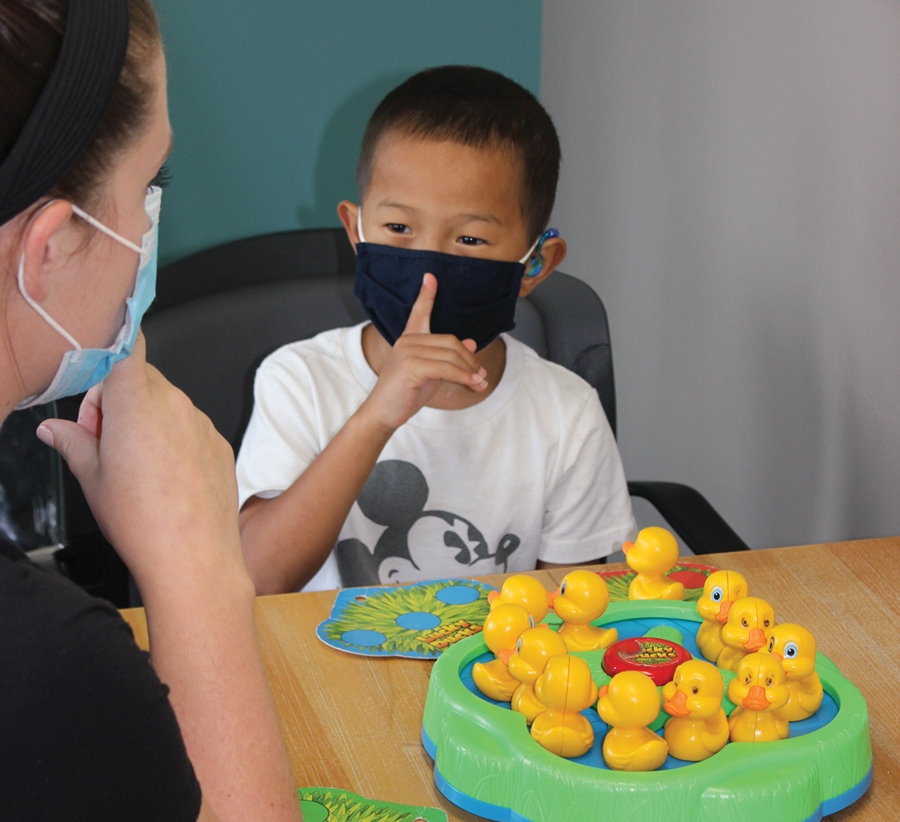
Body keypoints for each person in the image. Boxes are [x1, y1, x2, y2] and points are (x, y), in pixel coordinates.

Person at [0, 1, 359, 822]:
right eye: (151, 183)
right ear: (48, 247)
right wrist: (198, 572)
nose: (150, 230)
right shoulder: (39, 674)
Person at [237, 66, 637, 594]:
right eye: (399, 228)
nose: (429, 269)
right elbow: (257, 577)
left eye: (469, 240)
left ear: (535, 265)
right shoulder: (298, 381)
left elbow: (575, 617)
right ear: (356, 234)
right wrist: (378, 415)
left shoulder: (568, 415)